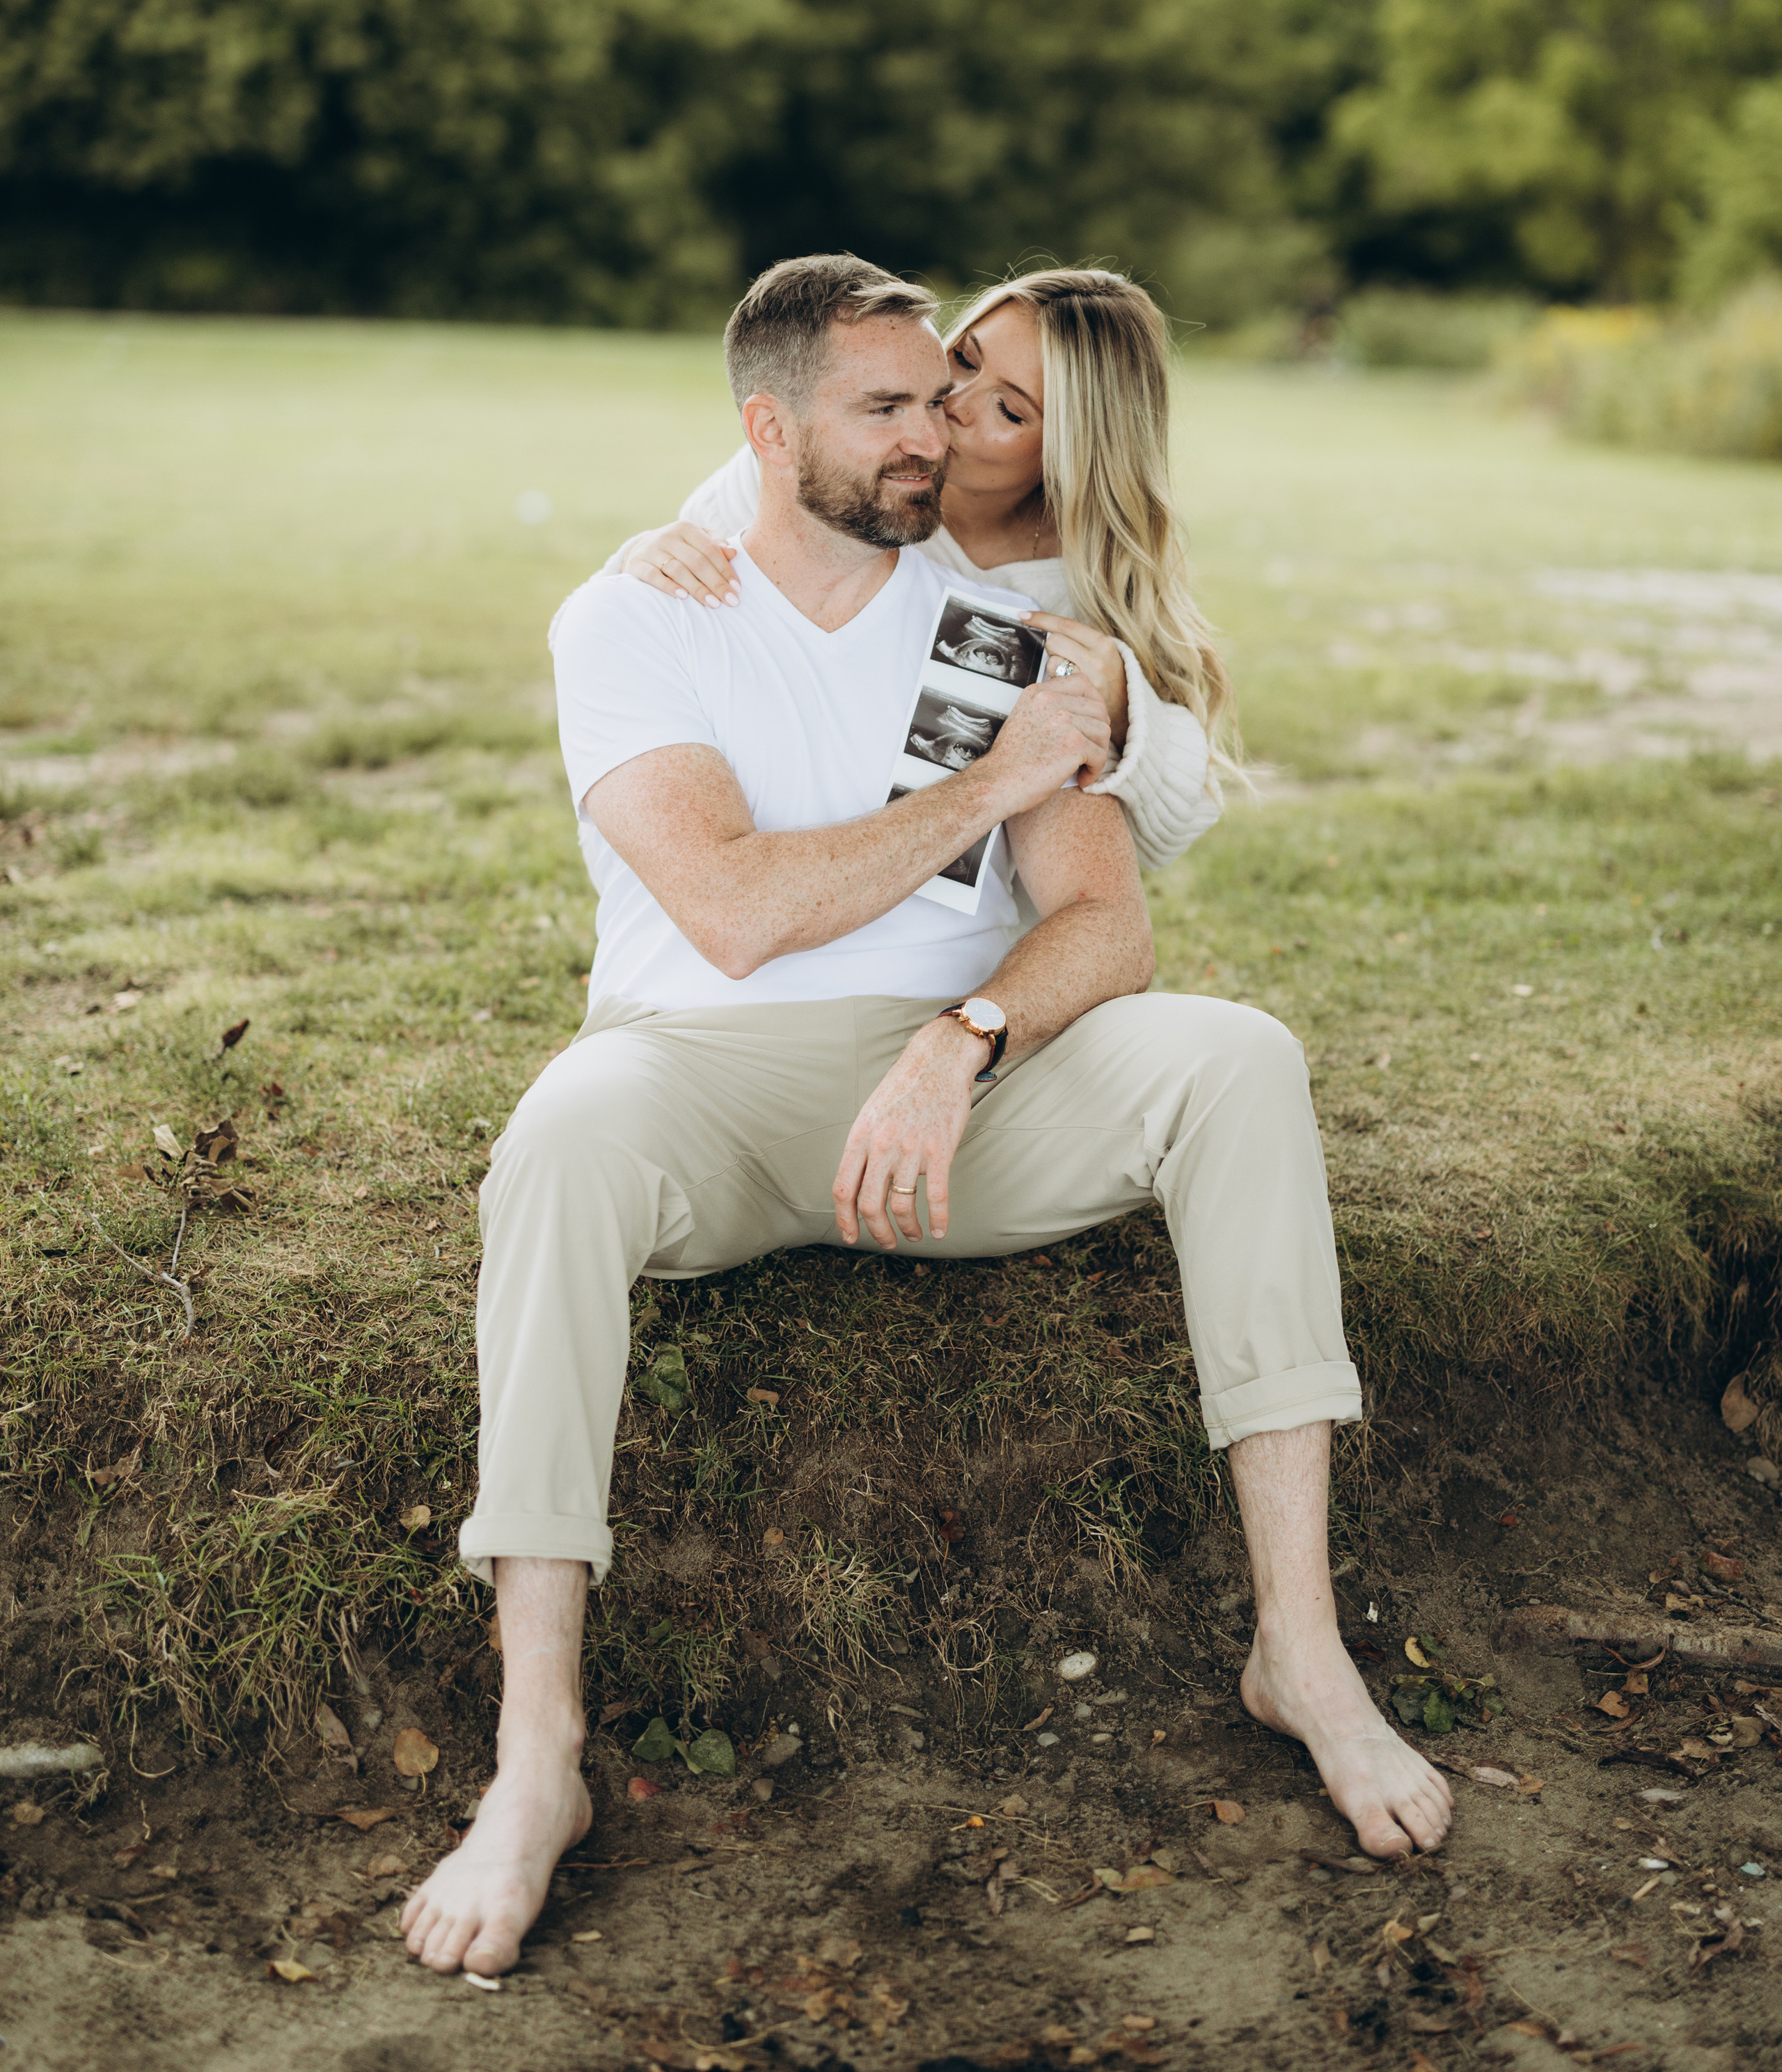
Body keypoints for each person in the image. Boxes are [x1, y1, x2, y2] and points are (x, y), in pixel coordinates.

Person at [400, 254, 1452, 1984]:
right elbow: (728, 910)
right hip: (707, 1082)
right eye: (895, 401)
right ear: (772, 427)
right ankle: (536, 1756)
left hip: (958, 1100)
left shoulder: (1012, 632)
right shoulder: (640, 606)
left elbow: (1107, 923)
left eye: (959, 402)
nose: (935, 430)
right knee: (566, 1130)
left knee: (1237, 1054)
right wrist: (985, 785)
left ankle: (1301, 1650)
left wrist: (958, 1030)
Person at [608, 268, 1233, 877]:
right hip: (781, 862)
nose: (951, 404)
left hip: (964, 920)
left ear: (1069, 451)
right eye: (963, 360)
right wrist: (645, 554)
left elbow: (1172, 830)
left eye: (1009, 411)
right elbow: (656, 617)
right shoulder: (817, 472)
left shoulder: (1076, 585)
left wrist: (1124, 708)